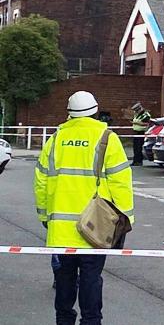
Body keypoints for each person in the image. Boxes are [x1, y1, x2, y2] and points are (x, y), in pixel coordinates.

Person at [35, 91, 135, 325]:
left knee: (64, 281)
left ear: (69, 113)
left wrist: (44, 215)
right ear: (95, 110)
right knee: (91, 280)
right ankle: (91, 321)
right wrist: (125, 220)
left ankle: (64, 321)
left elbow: (40, 179)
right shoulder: (106, 138)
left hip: (60, 229)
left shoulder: (56, 138)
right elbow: (121, 182)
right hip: (96, 228)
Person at [129, 102, 151, 167]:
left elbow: (146, 124)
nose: (136, 112)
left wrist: (136, 123)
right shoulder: (137, 114)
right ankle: (135, 161)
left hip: (141, 133)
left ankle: (139, 161)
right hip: (136, 132)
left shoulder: (146, 115)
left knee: (139, 148)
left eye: (137, 110)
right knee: (135, 148)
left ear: (140, 109)